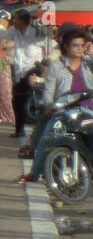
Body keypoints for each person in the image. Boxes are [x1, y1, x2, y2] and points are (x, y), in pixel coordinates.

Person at [19, 27, 93, 184]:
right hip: (62, 110)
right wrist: (49, 106)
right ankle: (34, 173)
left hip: (86, 110)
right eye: (75, 45)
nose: (80, 49)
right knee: (46, 139)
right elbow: (48, 92)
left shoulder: (88, 63)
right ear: (66, 47)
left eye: (82, 45)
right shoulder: (57, 66)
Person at [4, 10, 52, 141]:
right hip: (20, 72)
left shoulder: (35, 33)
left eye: (17, 19)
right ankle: (19, 130)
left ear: (23, 20)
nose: (14, 21)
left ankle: (40, 127)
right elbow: (2, 34)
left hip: (33, 70)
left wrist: (47, 63)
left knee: (35, 98)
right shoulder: (15, 33)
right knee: (17, 100)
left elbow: (51, 44)